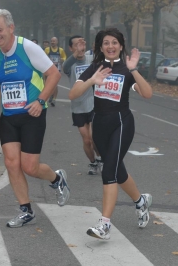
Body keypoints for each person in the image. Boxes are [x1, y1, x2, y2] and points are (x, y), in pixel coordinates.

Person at [0, 9, 70, 228]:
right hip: (9, 116)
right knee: (12, 164)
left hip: (32, 114)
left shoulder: (27, 48)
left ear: (11, 28)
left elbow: (54, 74)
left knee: (30, 167)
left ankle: (57, 179)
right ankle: (25, 210)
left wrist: (41, 101)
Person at [69, 28, 153, 240]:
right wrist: (91, 81)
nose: (110, 46)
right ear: (100, 47)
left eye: (114, 42)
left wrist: (134, 69)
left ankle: (104, 224)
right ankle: (140, 201)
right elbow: (73, 94)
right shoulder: (95, 68)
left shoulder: (126, 69)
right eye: (106, 43)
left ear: (121, 45)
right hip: (100, 126)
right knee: (118, 171)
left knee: (109, 172)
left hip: (122, 123)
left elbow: (147, 94)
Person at [63, 35, 102, 175]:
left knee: (94, 137)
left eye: (82, 43)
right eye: (76, 44)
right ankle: (93, 163)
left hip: (93, 103)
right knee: (86, 140)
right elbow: (64, 67)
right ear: (71, 47)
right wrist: (76, 54)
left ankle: (101, 158)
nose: (80, 46)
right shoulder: (69, 65)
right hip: (78, 107)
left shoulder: (92, 60)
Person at [44, 37, 66, 106]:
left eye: (54, 41)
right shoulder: (47, 49)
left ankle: (54, 99)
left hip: (57, 69)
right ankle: (51, 95)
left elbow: (65, 57)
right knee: (48, 84)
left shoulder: (60, 50)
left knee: (55, 84)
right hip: (49, 69)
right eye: (51, 41)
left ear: (57, 42)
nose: (52, 42)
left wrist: (62, 59)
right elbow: (43, 57)